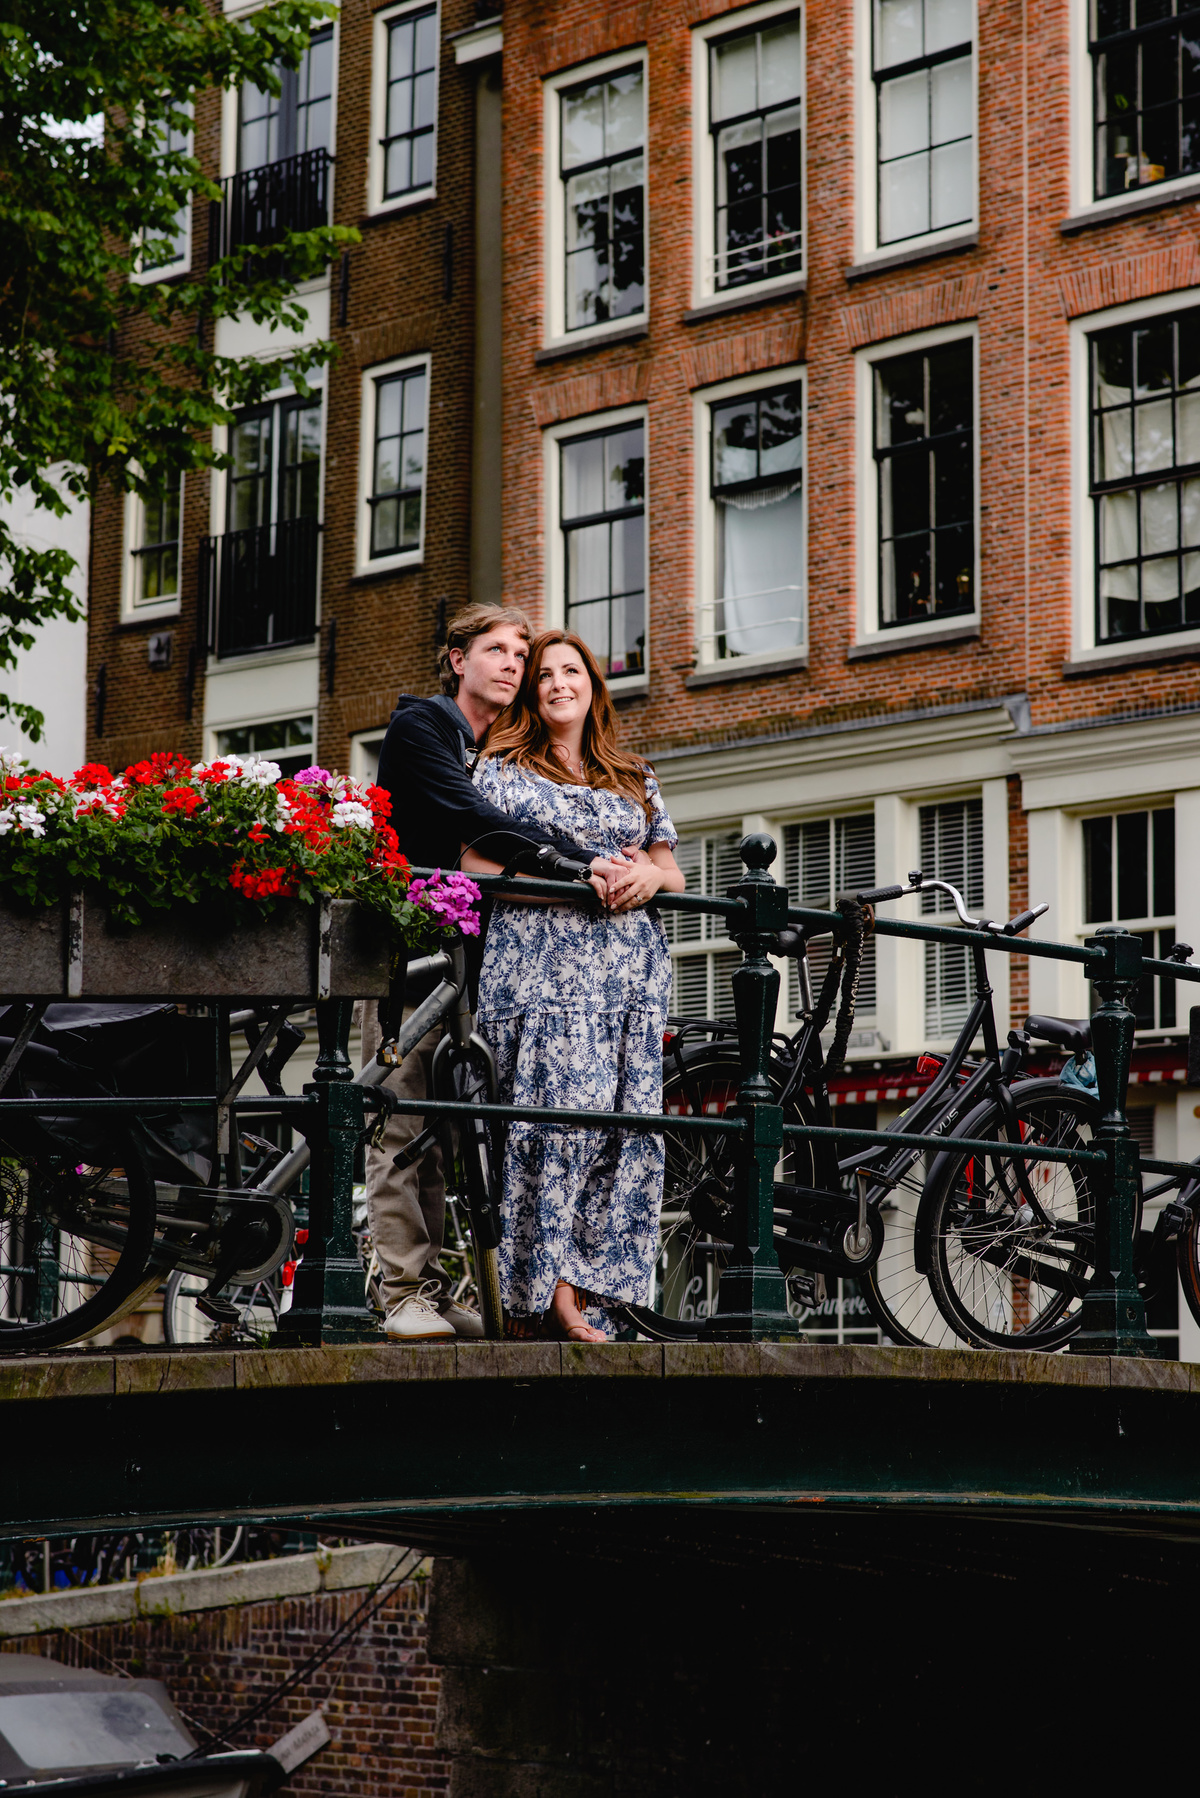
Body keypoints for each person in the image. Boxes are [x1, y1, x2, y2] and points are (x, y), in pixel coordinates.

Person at [367, 603, 633, 1342]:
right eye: (497, 649)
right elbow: (466, 813)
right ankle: (401, 1293)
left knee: (453, 1140)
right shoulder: (424, 728)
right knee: (402, 1121)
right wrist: (577, 861)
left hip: (479, 969)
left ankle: (438, 1285)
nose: (514, 663)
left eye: (523, 651)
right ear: (458, 660)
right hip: (411, 958)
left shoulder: (502, 751)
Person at [462, 630, 685, 1342]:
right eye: (545, 675)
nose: (558, 682)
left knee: (622, 1133)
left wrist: (649, 877)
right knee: (555, 1128)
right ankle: (539, 1299)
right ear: (532, 695)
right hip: (542, 974)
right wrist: (577, 889)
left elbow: (671, 872)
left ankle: (582, 1288)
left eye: (571, 671)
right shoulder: (501, 767)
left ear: (592, 683)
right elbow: (475, 867)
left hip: (627, 978)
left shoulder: (632, 772)